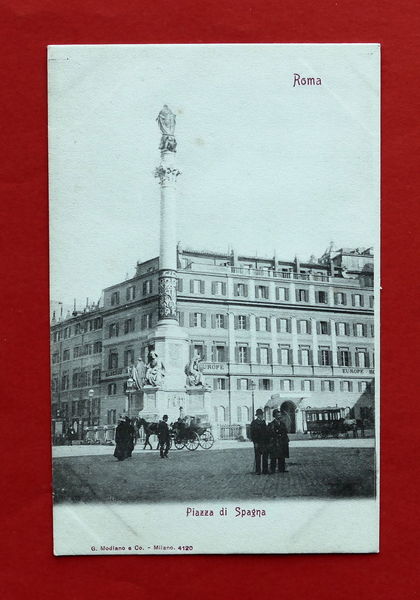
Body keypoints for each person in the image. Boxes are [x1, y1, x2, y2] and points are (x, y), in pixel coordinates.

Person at [268, 409, 289, 473]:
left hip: (282, 442)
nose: (279, 416)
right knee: (274, 456)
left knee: (282, 456)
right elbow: (270, 433)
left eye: (280, 415)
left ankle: (281, 469)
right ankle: (272, 469)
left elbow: (285, 432)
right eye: (277, 415)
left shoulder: (282, 424)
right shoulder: (271, 424)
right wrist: (277, 435)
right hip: (275, 442)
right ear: (274, 416)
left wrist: (285, 439)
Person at [250, 408, 269, 475]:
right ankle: (258, 470)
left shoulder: (264, 422)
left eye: (262, 414)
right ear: (257, 415)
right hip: (258, 442)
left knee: (265, 456)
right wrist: (255, 442)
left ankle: (265, 470)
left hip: (265, 442)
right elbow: (252, 434)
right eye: (260, 415)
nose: (261, 416)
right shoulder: (254, 423)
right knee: (258, 457)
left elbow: (267, 432)